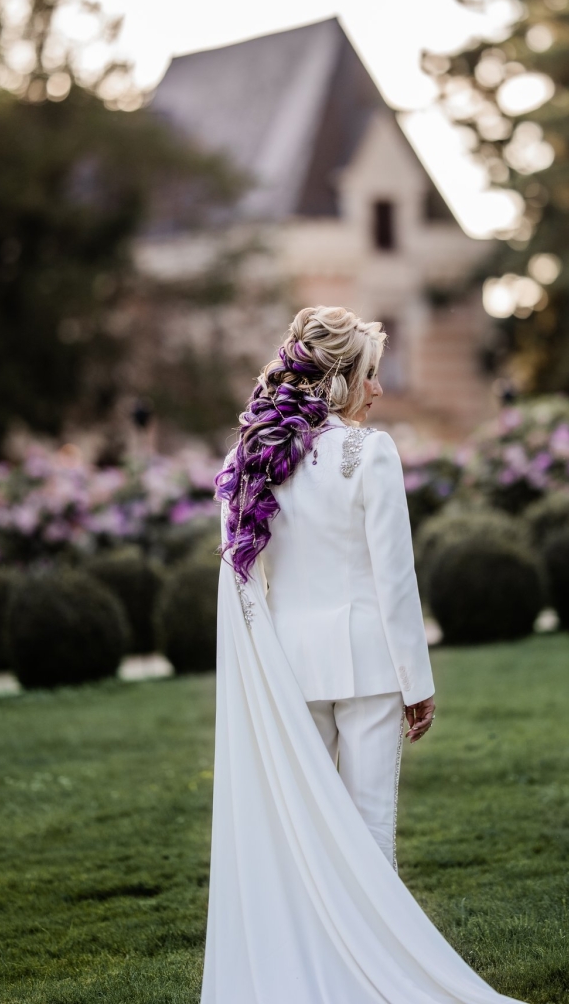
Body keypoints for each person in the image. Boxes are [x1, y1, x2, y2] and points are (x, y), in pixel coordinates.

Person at [202, 306, 525, 1004]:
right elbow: (393, 581)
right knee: (369, 828)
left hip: (286, 672)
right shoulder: (365, 452)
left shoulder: (247, 463)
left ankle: (318, 978)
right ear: (340, 378)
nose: (377, 390)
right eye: (369, 375)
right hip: (368, 667)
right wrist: (418, 683)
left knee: (307, 839)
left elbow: (246, 585)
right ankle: (377, 983)